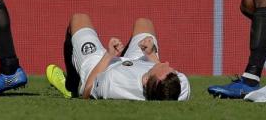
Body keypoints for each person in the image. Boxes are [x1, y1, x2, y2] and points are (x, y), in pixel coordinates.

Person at [46, 13, 190, 100]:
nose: (166, 62)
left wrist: (109, 55)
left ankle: (70, 85)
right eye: (171, 69)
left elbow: (87, 90)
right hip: (140, 62)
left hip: (102, 67)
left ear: (146, 80)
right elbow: (160, 70)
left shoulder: (114, 83)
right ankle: (134, 54)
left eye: (162, 67)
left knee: (79, 18)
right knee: (144, 23)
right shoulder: (180, 85)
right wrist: (151, 55)